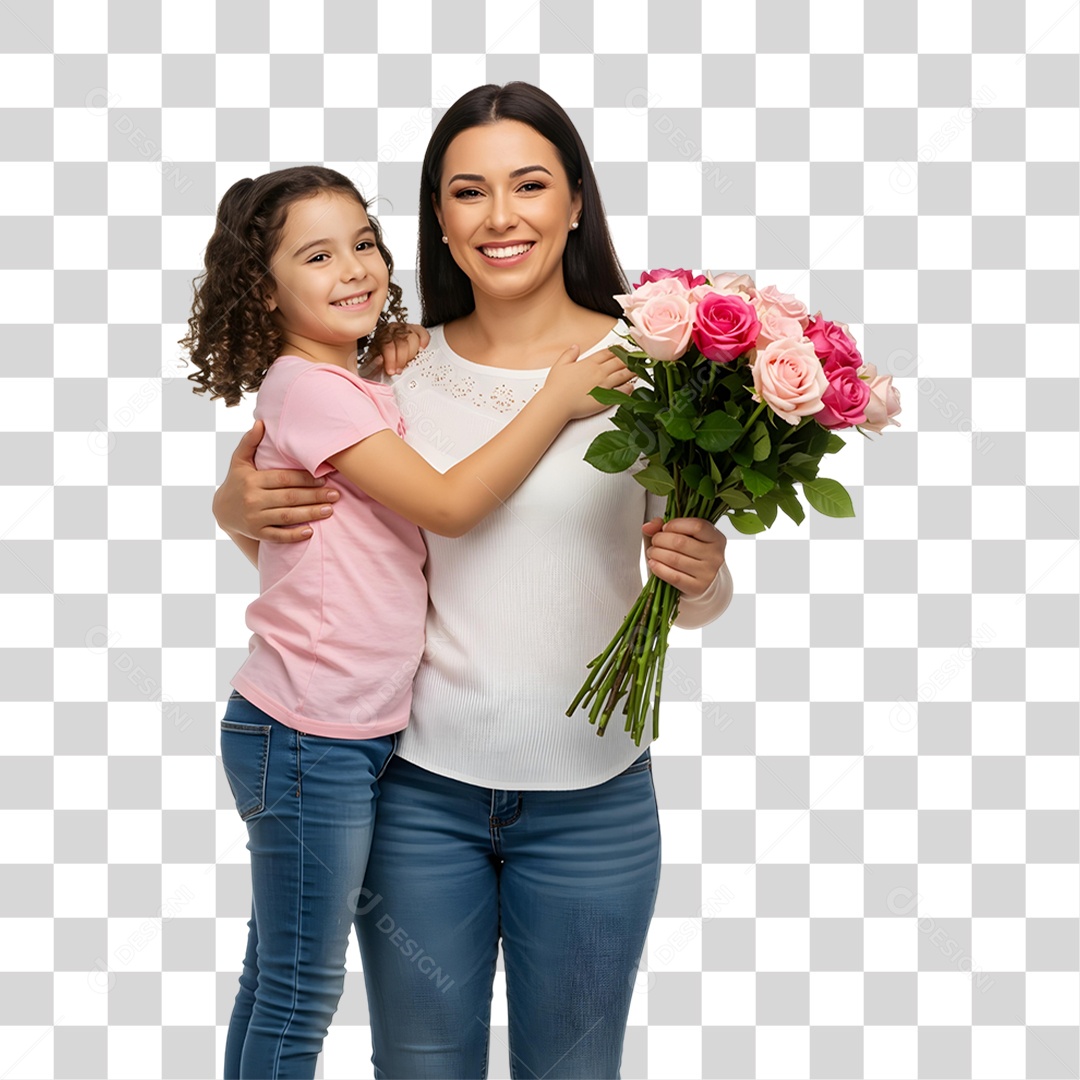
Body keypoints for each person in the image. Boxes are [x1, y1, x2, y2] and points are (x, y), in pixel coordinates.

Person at [212, 85, 734, 1079]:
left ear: (575, 202)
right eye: (468, 191)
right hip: (418, 793)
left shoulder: (652, 371)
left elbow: (692, 589)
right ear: (437, 220)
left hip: (595, 798)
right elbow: (329, 557)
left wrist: (703, 578)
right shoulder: (390, 371)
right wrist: (233, 511)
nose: (502, 216)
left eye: (530, 184)